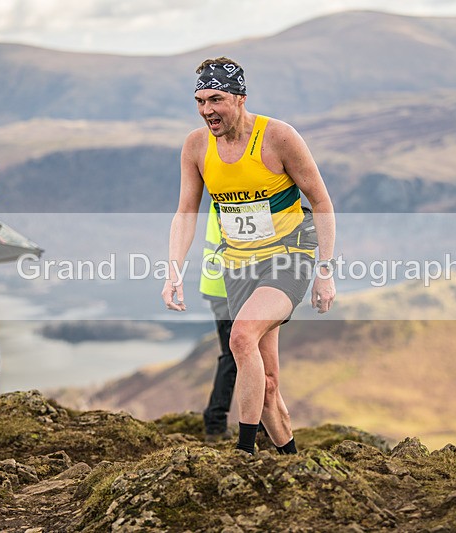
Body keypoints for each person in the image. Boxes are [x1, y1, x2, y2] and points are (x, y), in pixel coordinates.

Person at [162, 57, 337, 455]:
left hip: (288, 256)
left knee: (240, 337)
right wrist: (173, 272)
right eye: (200, 100)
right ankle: (291, 460)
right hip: (238, 266)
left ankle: (244, 452)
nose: (207, 110)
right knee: (267, 382)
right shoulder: (195, 146)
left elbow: (322, 201)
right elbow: (185, 212)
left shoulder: (278, 137)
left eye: (217, 99)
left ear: (240, 98)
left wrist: (325, 271)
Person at [200, 201, 237, 442]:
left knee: (233, 354)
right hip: (228, 285)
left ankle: (215, 423)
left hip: (218, 283)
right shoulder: (235, 189)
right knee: (235, 354)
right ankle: (215, 424)